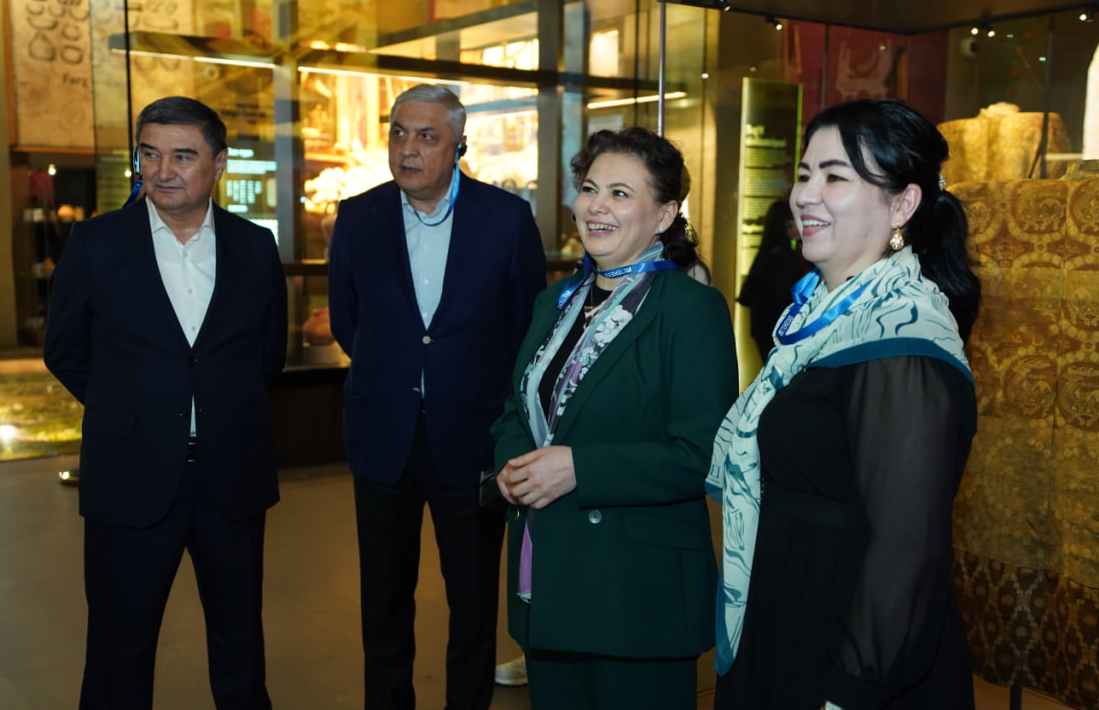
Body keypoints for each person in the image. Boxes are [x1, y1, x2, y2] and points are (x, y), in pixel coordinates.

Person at [709, 98, 982, 710]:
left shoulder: (901, 342)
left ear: (902, 205)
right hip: (785, 610)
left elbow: (905, 549)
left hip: (845, 643)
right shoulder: (821, 317)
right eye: (805, 174)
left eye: (836, 177)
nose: (806, 196)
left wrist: (852, 689)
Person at [44, 96, 288, 710]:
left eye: (182, 156)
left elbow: (268, 356)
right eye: (149, 155)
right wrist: (134, 410)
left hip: (230, 477)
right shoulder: (96, 243)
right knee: (119, 647)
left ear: (219, 164)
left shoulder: (255, 246)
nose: (162, 171)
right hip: (130, 473)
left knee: (240, 642)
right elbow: (65, 350)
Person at [490, 126, 738, 709]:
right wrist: (511, 466)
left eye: (620, 194)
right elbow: (516, 411)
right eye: (590, 189)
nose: (596, 206)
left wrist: (580, 468)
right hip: (550, 579)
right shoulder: (554, 301)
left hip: (635, 593)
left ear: (664, 215)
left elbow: (704, 452)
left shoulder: (690, 309)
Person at [327, 83, 545, 710]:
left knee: (472, 603)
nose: (408, 148)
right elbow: (347, 322)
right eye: (398, 133)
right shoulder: (358, 217)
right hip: (382, 436)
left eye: (426, 136)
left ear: (459, 146)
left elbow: (524, 335)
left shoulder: (506, 220)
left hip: (471, 440)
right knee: (383, 602)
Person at [736, 195, 810, 358]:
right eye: (794, 221)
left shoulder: (767, 254)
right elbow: (783, 300)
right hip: (777, 333)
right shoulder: (784, 258)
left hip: (764, 331)